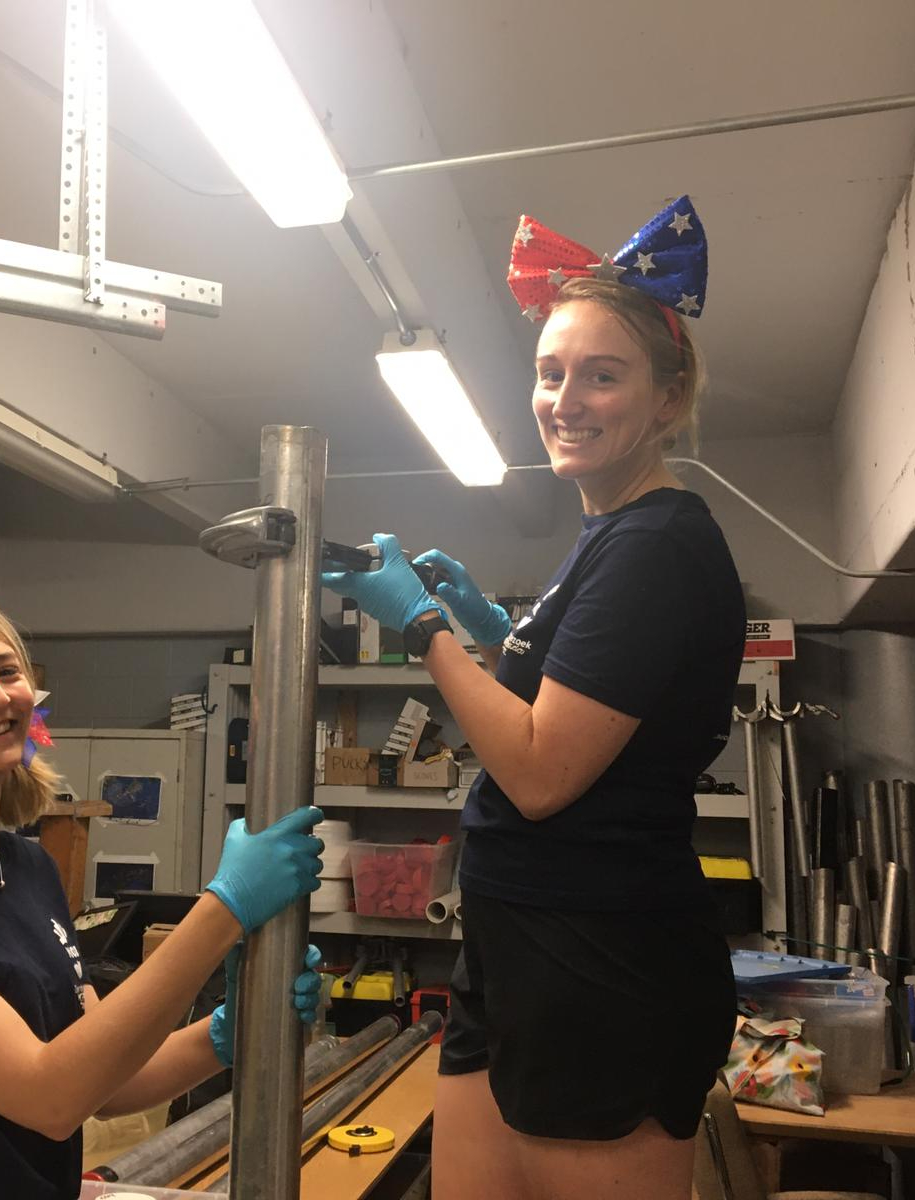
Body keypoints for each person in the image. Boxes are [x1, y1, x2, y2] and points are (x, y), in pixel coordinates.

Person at [325, 199, 745, 1200]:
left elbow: (542, 770)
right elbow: (564, 702)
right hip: (515, 947)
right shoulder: (609, 538)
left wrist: (420, 626)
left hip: (601, 958)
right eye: (550, 372)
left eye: (602, 374)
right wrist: (483, 625)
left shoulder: (655, 544)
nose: (564, 397)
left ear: (667, 397)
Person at [0, 596, 325, 1200]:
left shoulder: (27, 866)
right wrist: (225, 909)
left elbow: (101, 1083)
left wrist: (227, 1034)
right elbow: (48, 1097)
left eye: (7, 671)